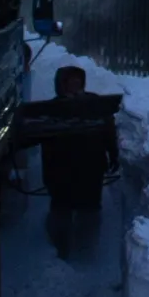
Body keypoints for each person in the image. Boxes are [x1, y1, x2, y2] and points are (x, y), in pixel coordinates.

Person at [41, 65, 117, 259]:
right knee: (61, 207)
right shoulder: (53, 108)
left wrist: (113, 154)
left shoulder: (95, 103)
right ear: (61, 85)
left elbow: (108, 130)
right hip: (61, 170)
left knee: (89, 207)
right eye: (70, 82)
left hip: (91, 167)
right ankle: (59, 248)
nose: (75, 85)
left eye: (78, 81)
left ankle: (86, 248)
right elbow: (45, 144)